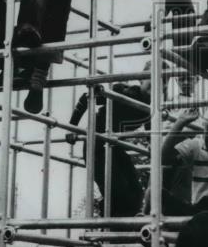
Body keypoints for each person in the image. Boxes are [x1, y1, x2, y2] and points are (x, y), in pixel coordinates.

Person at [65, 68, 153, 216]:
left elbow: (150, 126)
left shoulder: (152, 105)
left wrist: (151, 143)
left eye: (165, 81)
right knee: (118, 191)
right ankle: (109, 226)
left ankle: (120, 229)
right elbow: (87, 97)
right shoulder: (126, 94)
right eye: (153, 81)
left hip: (114, 148)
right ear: (141, 80)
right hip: (96, 146)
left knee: (136, 192)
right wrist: (72, 127)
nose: (160, 85)